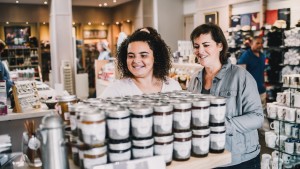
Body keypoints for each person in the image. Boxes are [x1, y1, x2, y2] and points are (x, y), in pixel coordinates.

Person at [187, 23, 263, 168]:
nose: (200, 51)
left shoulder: (241, 77)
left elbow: (257, 118)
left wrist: (219, 125)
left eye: (206, 45)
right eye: (196, 46)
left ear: (220, 46)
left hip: (239, 159)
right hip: (207, 157)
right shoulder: (195, 80)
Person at [100, 27, 182, 98]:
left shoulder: (172, 86)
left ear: (156, 57)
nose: (136, 60)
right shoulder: (116, 89)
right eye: (131, 56)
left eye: (143, 55)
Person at [237, 36, 266, 111]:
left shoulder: (262, 56)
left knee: (262, 113)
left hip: (261, 90)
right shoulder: (246, 56)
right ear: (251, 44)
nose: (260, 45)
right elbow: (240, 74)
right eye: (257, 43)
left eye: (261, 43)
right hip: (250, 92)